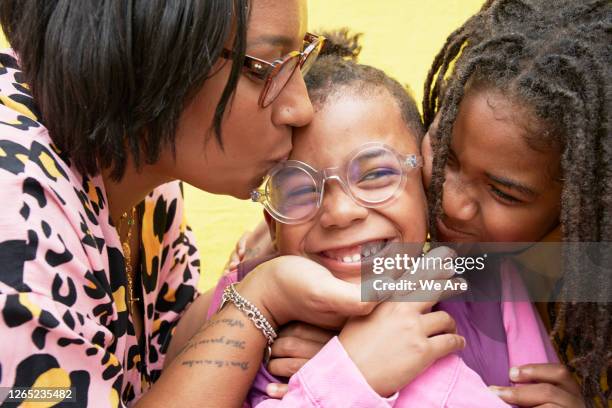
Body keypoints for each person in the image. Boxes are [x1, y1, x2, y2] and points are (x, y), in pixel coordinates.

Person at [0, 1, 468, 407]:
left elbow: (164, 360)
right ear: (155, 56)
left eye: (299, 63)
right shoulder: (14, 214)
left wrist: (264, 297)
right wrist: (261, 302)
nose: (298, 108)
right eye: (267, 67)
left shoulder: (148, 178)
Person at [210, 32, 558, 407]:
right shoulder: (249, 310)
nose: (340, 213)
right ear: (273, 221)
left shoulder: (491, 289)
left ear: (426, 184)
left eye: (376, 175)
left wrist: (356, 368)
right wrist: (351, 370)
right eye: (299, 192)